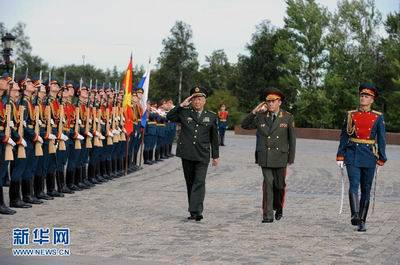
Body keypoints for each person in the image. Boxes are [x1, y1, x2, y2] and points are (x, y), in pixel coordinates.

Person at [336, 83, 387, 232]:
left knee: (366, 188)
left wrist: (382, 158)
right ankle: (355, 215)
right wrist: (340, 155)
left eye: (367, 96)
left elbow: (382, 139)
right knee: (354, 184)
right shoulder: (351, 115)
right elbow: (344, 136)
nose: (363, 98)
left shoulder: (378, 117)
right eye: (362, 95)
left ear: (372, 100)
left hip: (370, 155)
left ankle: (362, 221)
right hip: (352, 154)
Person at [241, 88, 296, 223]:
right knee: (268, 184)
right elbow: (244, 125)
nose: (270, 104)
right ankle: (267, 215)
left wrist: (291, 157)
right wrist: (254, 112)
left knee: (279, 185)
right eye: (268, 101)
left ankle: (278, 207)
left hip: (280, 156)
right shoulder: (260, 116)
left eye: (273, 101)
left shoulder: (287, 117)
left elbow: (292, 139)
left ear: (279, 102)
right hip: (265, 155)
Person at [166, 86, 219, 221]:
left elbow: (214, 138)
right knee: (190, 182)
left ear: (204, 101)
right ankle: (193, 212)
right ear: (191, 100)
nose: (197, 102)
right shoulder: (184, 113)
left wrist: (215, 156)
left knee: (199, 182)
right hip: (187, 153)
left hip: (202, 154)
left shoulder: (211, 116)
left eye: (200, 99)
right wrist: (181, 105)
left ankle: (197, 210)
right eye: (194, 99)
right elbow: (169, 116)